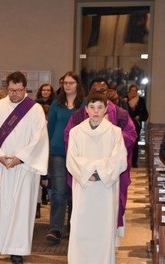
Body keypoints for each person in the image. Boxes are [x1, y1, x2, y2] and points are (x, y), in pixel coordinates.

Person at [0, 71, 48, 264]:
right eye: (11, 90)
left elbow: (39, 138)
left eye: (19, 90)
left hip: (24, 169)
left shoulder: (35, 109)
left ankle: (18, 250)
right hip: (3, 166)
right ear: (6, 88)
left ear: (25, 88)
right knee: (2, 206)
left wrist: (20, 158)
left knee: (22, 210)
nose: (15, 94)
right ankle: (4, 244)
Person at [64, 77, 137, 237]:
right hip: (85, 178)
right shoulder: (78, 117)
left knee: (106, 219)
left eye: (102, 91)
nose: (96, 110)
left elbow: (131, 135)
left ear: (108, 93)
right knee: (83, 217)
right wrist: (87, 169)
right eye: (95, 91)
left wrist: (110, 144)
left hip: (108, 176)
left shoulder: (120, 114)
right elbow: (69, 139)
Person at [66, 91, 127, 263]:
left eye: (100, 107)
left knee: (102, 227)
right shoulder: (76, 132)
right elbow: (71, 159)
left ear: (106, 109)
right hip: (84, 186)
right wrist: (89, 174)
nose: (96, 111)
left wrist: (99, 173)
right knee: (82, 226)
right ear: (86, 109)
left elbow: (119, 159)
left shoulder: (115, 132)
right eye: (92, 107)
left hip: (105, 188)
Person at [46, 71, 85, 245]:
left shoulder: (84, 105)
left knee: (75, 192)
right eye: (65, 83)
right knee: (59, 191)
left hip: (78, 153)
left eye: (71, 82)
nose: (67, 85)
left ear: (78, 84)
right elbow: (50, 128)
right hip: (58, 151)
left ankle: (73, 225)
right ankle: (55, 228)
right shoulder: (56, 104)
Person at [126, 84, 149, 168]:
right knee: (126, 144)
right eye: (132, 90)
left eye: (135, 90)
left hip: (136, 125)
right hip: (126, 126)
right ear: (129, 91)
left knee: (135, 144)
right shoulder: (125, 100)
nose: (133, 92)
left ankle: (134, 162)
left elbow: (145, 114)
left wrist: (139, 117)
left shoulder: (141, 100)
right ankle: (126, 162)